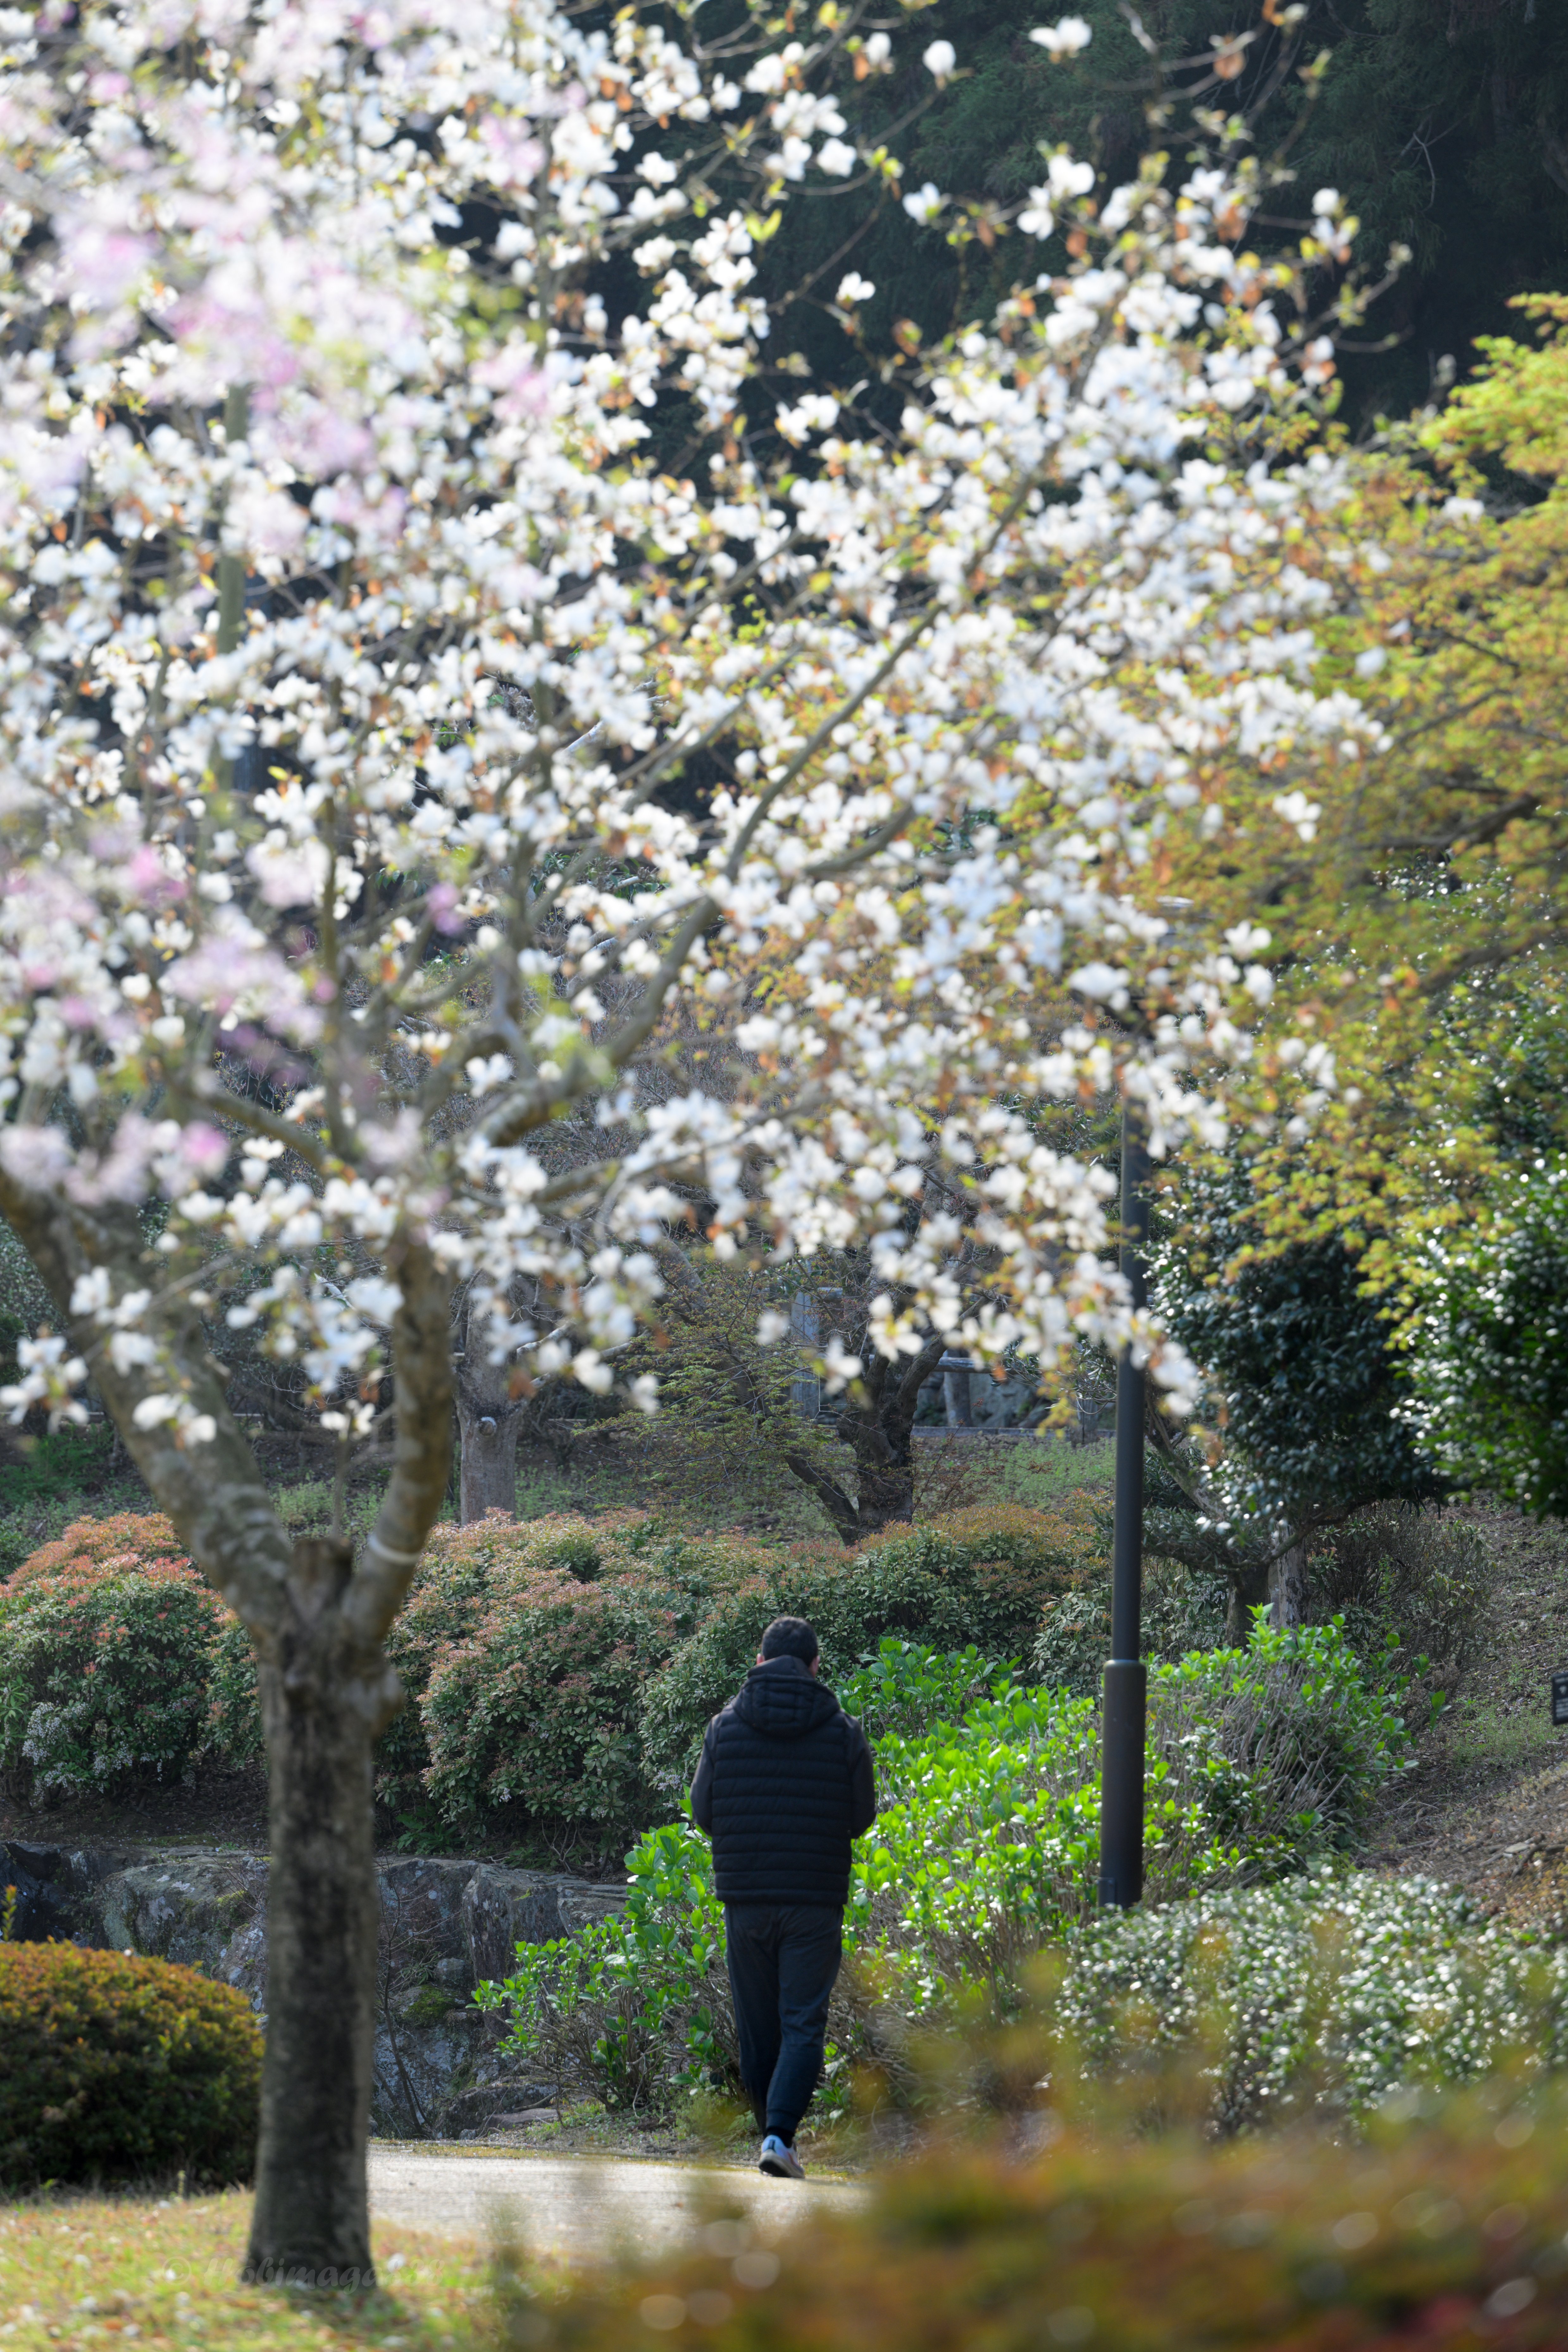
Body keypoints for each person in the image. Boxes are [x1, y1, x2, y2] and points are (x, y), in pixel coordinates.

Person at [689, 1614, 876, 2179]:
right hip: (814, 1901)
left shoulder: (724, 1727)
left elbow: (703, 1813)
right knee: (802, 2021)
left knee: (757, 2022)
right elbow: (862, 1817)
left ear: (760, 1661)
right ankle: (779, 2135)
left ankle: (767, 2131)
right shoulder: (844, 1730)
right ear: (816, 1665)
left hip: (746, 1898)